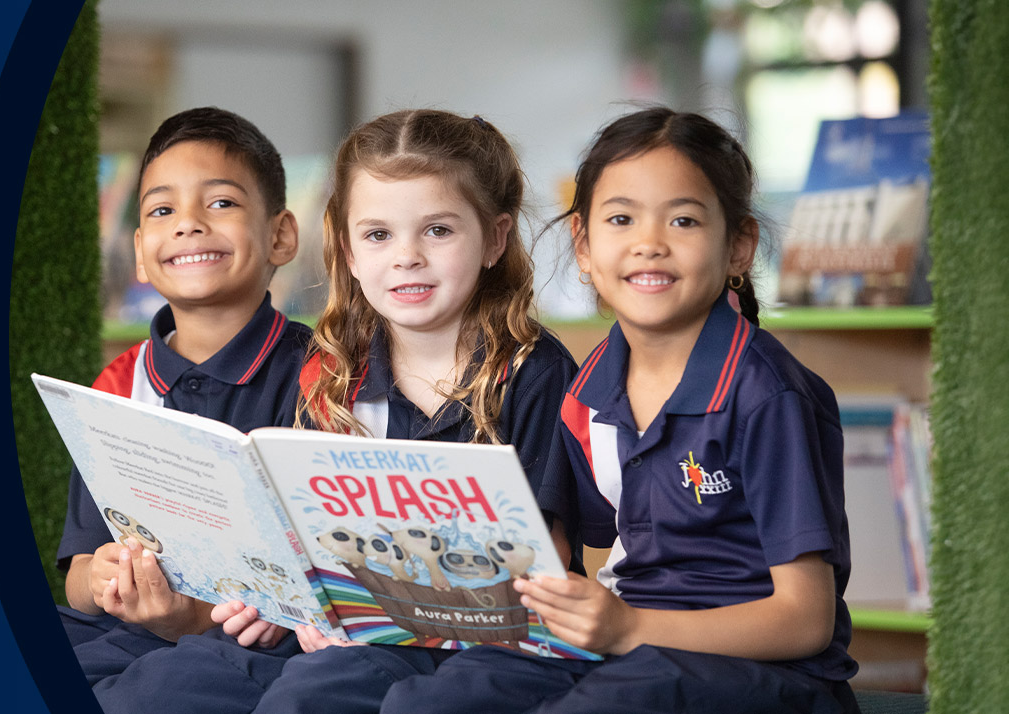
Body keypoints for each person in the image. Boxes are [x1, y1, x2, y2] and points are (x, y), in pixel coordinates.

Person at [91, 109, 580, 714]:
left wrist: (365, 612)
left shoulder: (534, 371)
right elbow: (304, 546)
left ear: (495, 239)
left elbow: (547, 565)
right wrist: (278, 603)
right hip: (352, 635)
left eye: (438, 231)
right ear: (346, 250)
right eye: (378, 235)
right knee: (169, 685)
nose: (407, 257)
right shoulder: (333, 373)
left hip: (499, 645)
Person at [380, 107, 860, 714]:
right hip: (633, 650)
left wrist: (629, 628)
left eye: (683, 219)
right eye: (621, 219)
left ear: (738, 245)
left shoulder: (767, 395)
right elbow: (574, 551)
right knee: (438, 699)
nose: (649, 243)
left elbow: (805, 621)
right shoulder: (590, 387)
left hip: (766, 674)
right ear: (583, 245)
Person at [54, 106, 311, 678]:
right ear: (142, 251)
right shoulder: (119, 385)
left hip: (259, 653)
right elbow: (76, 579)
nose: (189, 224)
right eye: (164, 210)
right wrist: (102, 579)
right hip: (121, 638)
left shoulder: (329, 377)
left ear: (281, 234)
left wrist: (188, 622)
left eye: (221, 202)